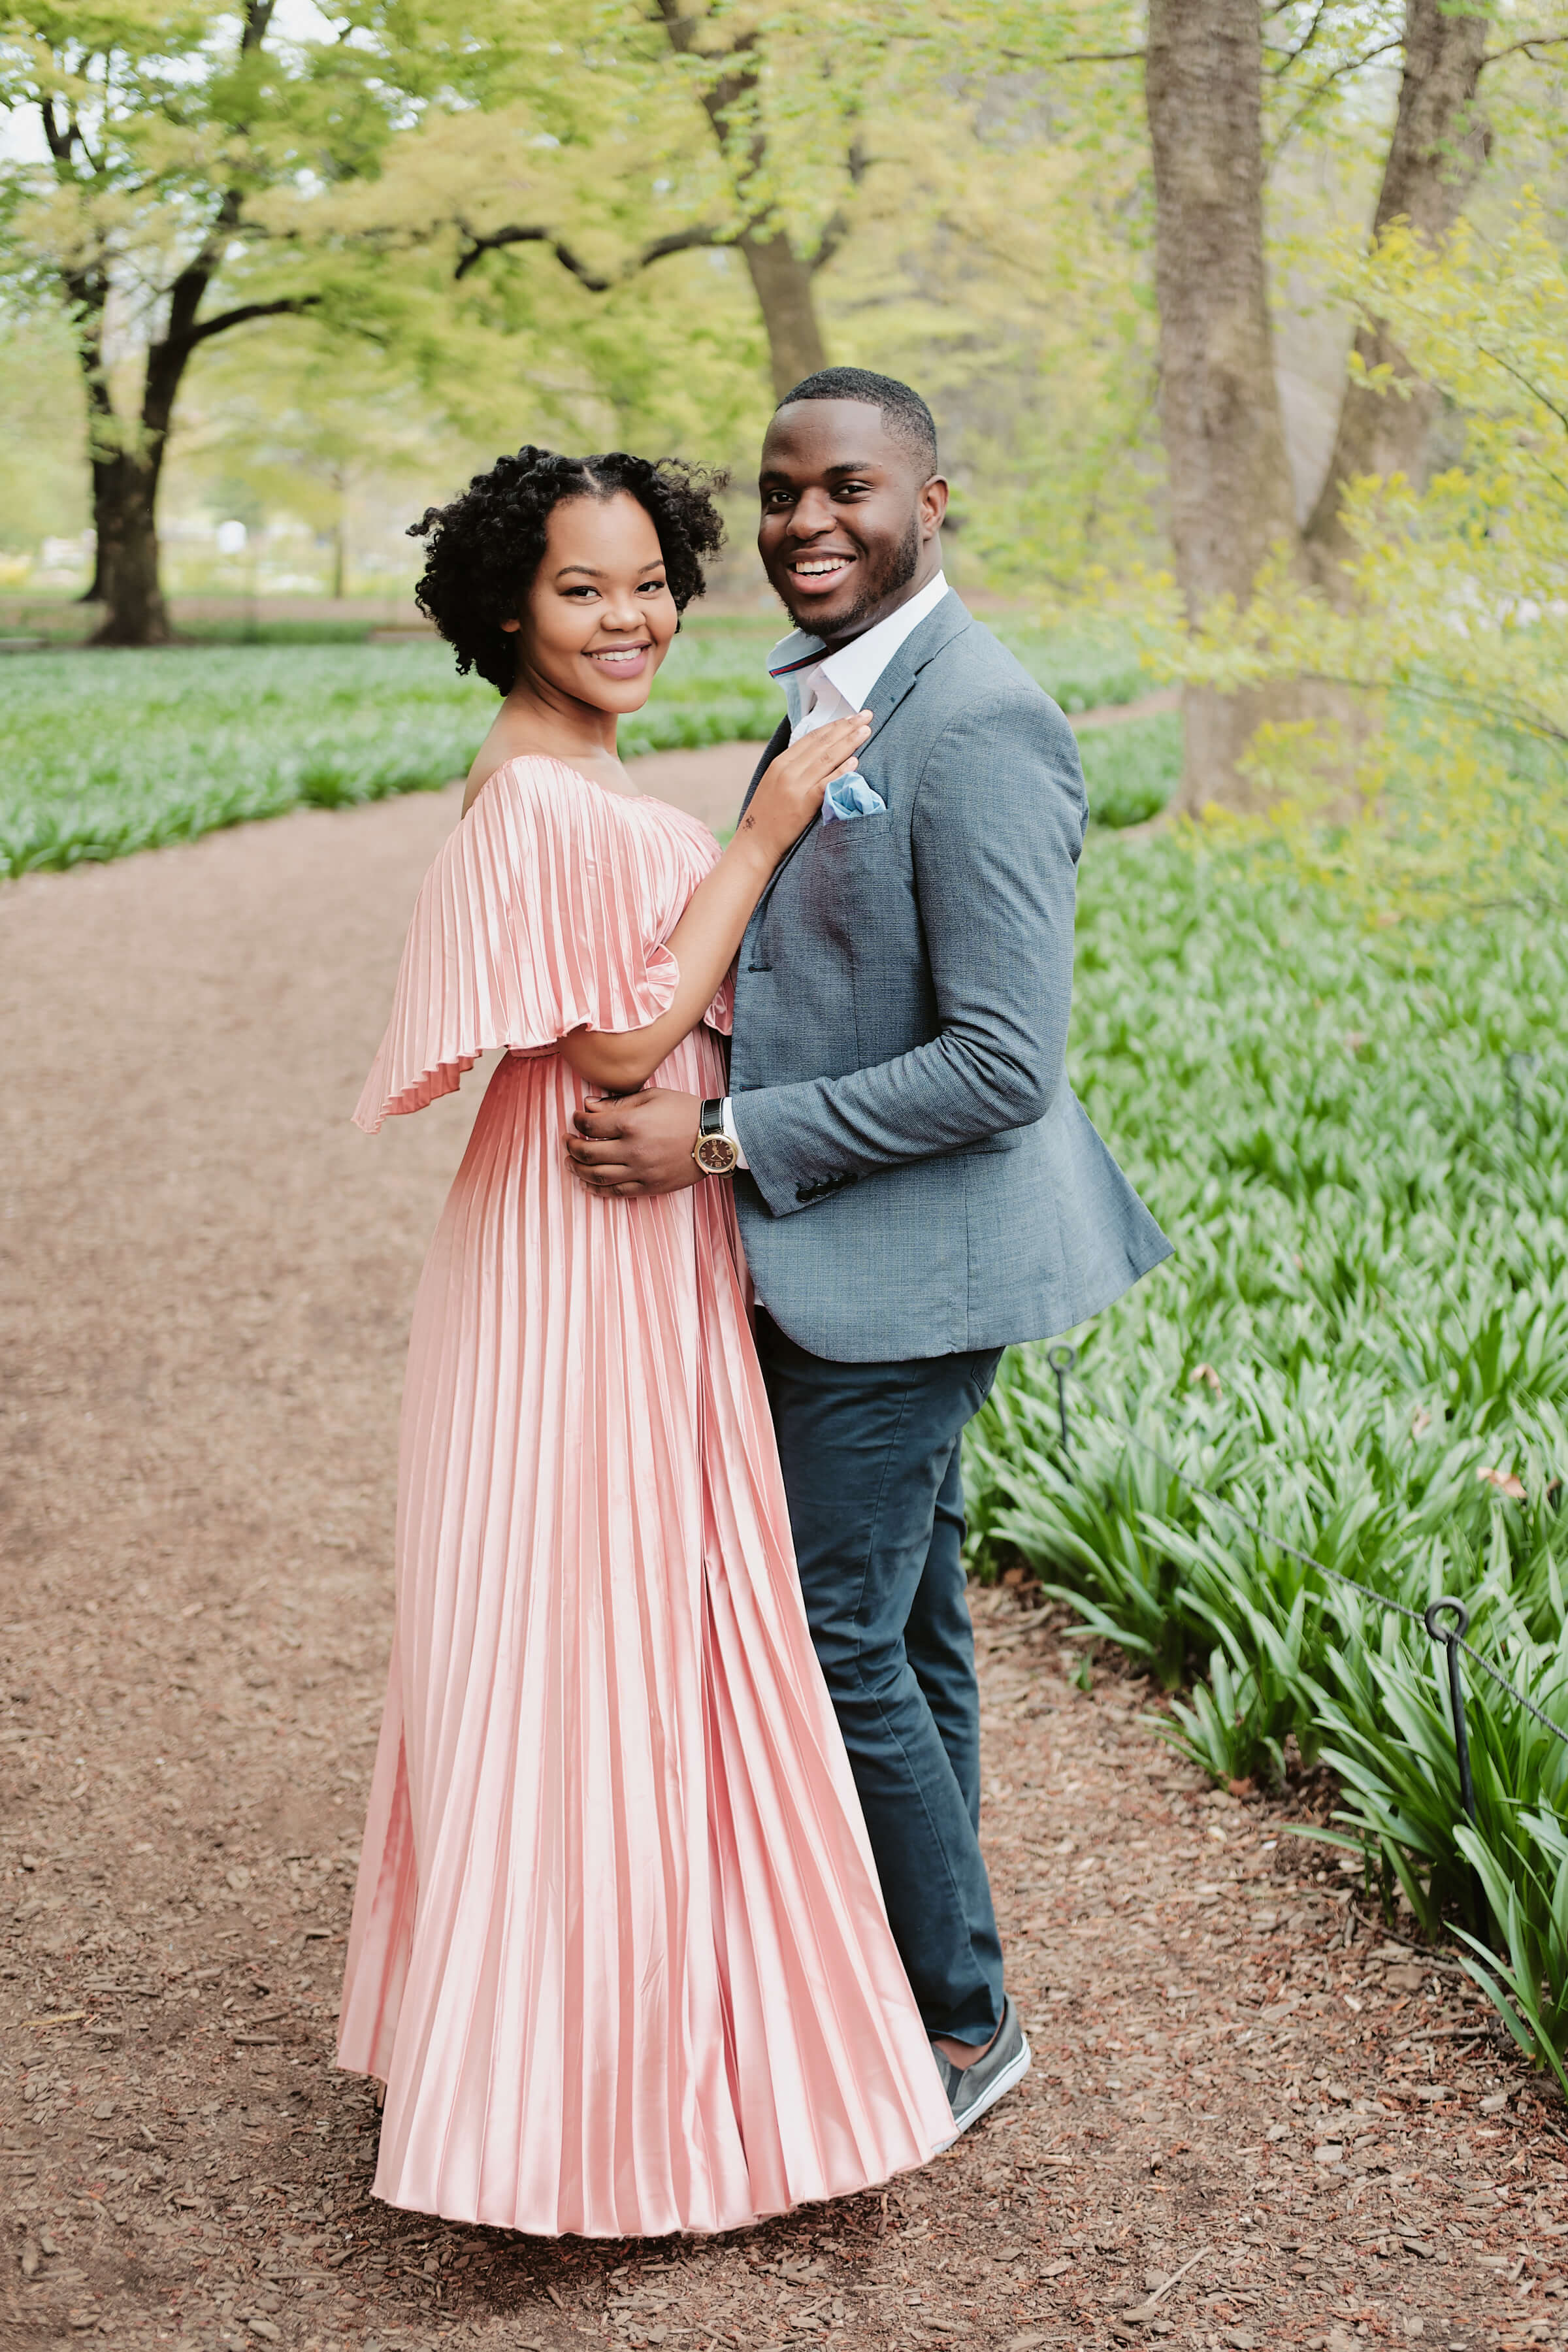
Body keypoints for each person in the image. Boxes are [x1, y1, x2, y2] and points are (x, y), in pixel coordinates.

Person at [336, 446, 956, 2238]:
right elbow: (617, 1050)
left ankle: (623, 2054)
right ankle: (570, 2111)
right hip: (581, 1232)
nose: (630, 621)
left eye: (649, 584)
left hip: (608, 1228)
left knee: (622, 1621)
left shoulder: (573, 777)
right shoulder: (537, 796)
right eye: (580, 591)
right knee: (591, 1629)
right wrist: (759, 841)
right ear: (505, 612)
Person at [566, 370, 1171, 2132]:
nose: (806, 523)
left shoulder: (977, 721)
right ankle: (916, 1976)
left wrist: (724, 1138)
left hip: (909, 1273)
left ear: (932, 498)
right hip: (849, 1261)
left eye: (848, 488)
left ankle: (962, 2025)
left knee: (833, 1642)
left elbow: (1004, 1064)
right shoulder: (833, 696)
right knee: (907, 1636)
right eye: (778, 493)